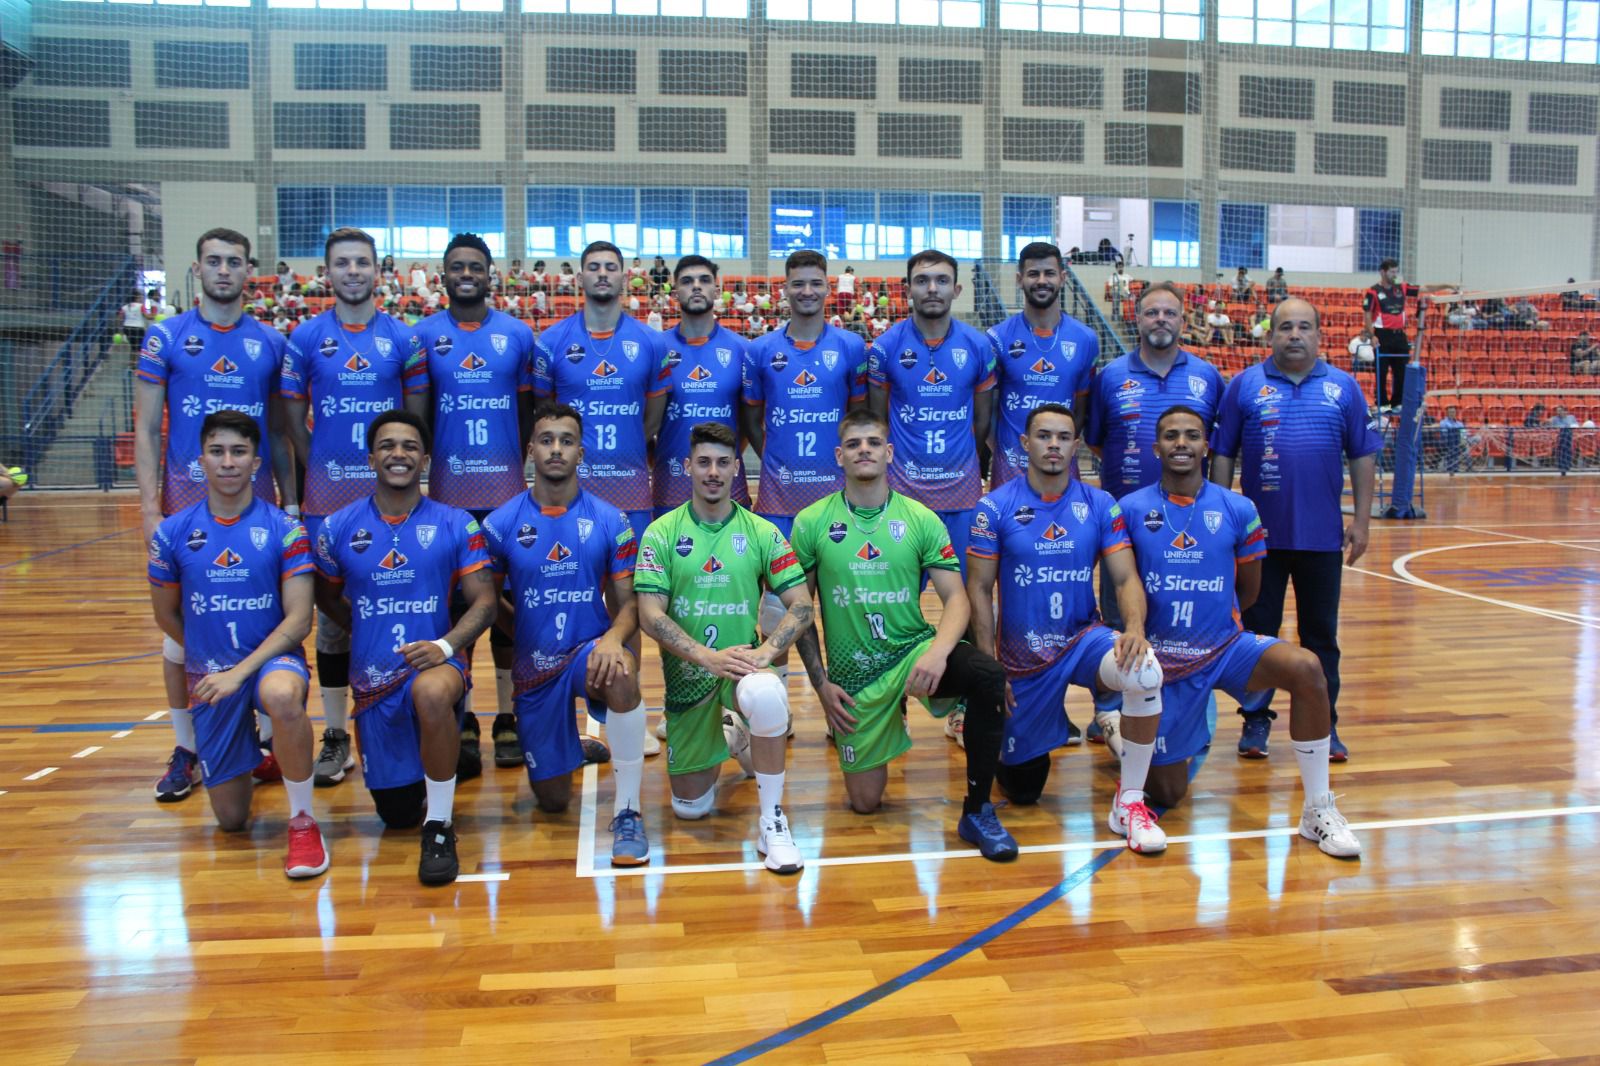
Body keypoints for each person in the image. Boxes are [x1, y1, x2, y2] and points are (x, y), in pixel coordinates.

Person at [1123, 405, 1361, 858]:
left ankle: (1318, 809)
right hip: (1165, 663)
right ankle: (1129, 732)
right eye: (1171, 436)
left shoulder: (1238, 508)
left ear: (1205, 447)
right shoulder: (1131, 509)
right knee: (1169, 793)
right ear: (1155, 448)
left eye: (1191, 435)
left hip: (1226, 648)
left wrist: (1217, 623)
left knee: (1307, 668)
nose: (1181, 443)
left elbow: (1249, 589)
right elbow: (1122, 584)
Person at [791, 408, 1016, 860]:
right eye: (854, 444)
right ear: (839, 456)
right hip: (856, 676)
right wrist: (820, 684)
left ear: (890, 453)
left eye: (873, 442)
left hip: (913, 654)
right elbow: (799, 611)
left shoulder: (920, 518)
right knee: (864, 803)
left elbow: (957, 599)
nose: (864, 450)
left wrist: (937, 653)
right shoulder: (811, 522)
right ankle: (885, 715)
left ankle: (977, 810)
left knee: (987, 675)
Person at [136, 227, 294, 804]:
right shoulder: (166, 336)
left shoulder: (271, 342)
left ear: (249, 270)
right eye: (214, 261)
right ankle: (187, 748)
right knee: (181, 634)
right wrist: (149, 508)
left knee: (259, 618)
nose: (224, 270)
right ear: (197, 268)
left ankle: (266, 740)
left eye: (234, 261)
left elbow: (279, 433)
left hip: (258, 509)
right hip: (184, 507)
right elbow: (147, 430)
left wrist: (291, 503)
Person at [966, 404, 1167, 849]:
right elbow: (978, 590)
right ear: (1025, 443)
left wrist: (1135, 628)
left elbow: (1125, 577)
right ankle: (1053, 721)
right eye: (1044, 436)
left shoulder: (1100, 504)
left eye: (1063, 437)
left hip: (1082, 639)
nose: (1053, 445)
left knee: (1146, 670)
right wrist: (989, 670)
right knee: (1023, 790)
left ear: (1077, 445)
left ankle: (1129, 802)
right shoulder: (993, 507)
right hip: (1022, 658)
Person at [313, 410, 498, 885]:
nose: (399, 454)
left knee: (431, 694)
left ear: (426, 460)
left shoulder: (456, 523)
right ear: (371, 458)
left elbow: (485, 603)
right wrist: (365, 627)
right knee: (396, 815)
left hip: (436, 666)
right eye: (388, 446)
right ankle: (440, 757)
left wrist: (445, 646)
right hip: (374, 681)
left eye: (410, 446)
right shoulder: (337, 527)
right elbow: (326, 596)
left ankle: (440, 824)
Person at [280, 226, 430, 789]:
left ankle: (412, 714)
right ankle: (338, 734)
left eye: (362, 262)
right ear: (327, 272)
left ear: (378, 271)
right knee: (333, 624)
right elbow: (293, 423)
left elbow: (414, 420)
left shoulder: (404, 339)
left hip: (395, 503)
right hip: (328, 501)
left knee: (407, 604)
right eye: (342, 263)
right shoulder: (304, 338)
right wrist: (322, 467)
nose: (352, 272)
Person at [147, 410, 327, 875]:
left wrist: (239, 673)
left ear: (255, 462)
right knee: (230, 820)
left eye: (239, 452)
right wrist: (211, 661)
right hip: (211, 674)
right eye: (217, 451)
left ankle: (303, 822)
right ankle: (251, 751)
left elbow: (299, 621)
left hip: (271, 662)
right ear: (200, 461)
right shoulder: (171, 533)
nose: (228, 462)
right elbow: (166, 615)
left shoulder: (286, 530)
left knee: (282, 696)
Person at [635, 423, 814, 874]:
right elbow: (650, 616)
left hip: (740, 670)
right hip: (689, 678)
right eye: (703, 463)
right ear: (687, 467)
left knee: (768, 693)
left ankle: (772, 823)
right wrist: (705, 656)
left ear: (736, 468)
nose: (712, 472)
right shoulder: (660, 533)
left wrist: (766, 653)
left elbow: (801, 605)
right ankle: (733, 733)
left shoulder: (761, 532)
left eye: (722, 463)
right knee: (690, 808)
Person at [1210, 297, 1380, 762]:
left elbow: (1362, 454)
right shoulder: (1244, 385)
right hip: (1258, 542)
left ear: (1320, 336)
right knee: (1258, 635)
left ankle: (1325, 726)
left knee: (1320, 637)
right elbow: (1223, 454)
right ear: (1270, 336)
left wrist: (1362, 521)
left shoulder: (1344, 388)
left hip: (1322, 539)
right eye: (1285, 327)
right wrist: (1219, 523)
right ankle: (1255, 721)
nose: (1295, 335)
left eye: (1304, 327)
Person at [482, 403, 651, 863]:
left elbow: (628, 603)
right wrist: (524, 631)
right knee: (553, 801)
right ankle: (571, 745)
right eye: (546, 440)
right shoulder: (500, 524)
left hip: (588, 654)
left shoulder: (611, 520)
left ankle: (629, 809)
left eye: (567, 440)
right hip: (535, 669)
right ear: (530, 450)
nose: (556, 449)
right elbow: (486, 602)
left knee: (621, 672)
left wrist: (613, 640)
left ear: (581, 453)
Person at [414, 233, 540, 774]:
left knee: (509, 611)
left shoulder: (518, 335)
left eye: (475, 266)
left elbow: (528, 413)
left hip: (505, 499)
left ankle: (508, 716)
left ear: (491, 275)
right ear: (443, 275)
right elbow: (417, 417)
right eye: (457, 266)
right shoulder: (423, 336)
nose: (467, 274)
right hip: (447, 501)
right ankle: (462, 716)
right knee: (456, 612)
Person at [1083, 281, 1225, 749]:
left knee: (1176, 616)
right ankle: (1108, 710)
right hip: (1124, 521)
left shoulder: (1207, 376)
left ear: (1183, 320)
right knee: (1116, 615)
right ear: (1137, 319)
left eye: (1169, 312)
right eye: (1151, 312)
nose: (1160, 319)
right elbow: (1098, 441)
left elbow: (1218, 444)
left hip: (1189, 525)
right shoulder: (1111, 376)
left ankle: (1176, 707)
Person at [741, 249, 868, 702]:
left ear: (829, 287)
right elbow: (752, 420)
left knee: (841, 607)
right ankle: (775, 706)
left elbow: (858, 420)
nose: (807, 291)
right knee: (777, 612)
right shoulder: (761, 351)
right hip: (779, 504)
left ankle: (847, 699)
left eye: (816, 282)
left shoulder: (851, 347)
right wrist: (778, 460)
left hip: (836, 505)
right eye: (798, 283)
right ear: (785, 289)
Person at [867, 250, 996, 575]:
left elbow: (982, 420)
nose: (933, 289)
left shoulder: (978, 346)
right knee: (899, 595)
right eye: (922, 281)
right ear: (908, 289)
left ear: (957, 289)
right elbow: (878, 423)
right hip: (903, 495)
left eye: (942, 280)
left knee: (966, 591)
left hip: (962, 493)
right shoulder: (886, 346)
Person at [535, 241, 664, 552]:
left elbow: (654, 417)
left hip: (631, 492)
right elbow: (543, 415)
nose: (602, 274)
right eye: (594, 268)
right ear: (580, 278)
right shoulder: (551, 341)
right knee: (570, 575)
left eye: (610, 267)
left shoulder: (651, 342)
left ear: (624, 277)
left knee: (634, 580)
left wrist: (629, 441)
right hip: (571, 494)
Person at [645, 255, 751, 518]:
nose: (696, 286)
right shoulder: (655, 348)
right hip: (670, 491)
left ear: (716, 290)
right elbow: (644, 424)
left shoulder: (742, 349)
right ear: (675, 292)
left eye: (704, 280)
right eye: (687, 281)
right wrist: (662, 460)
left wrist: (724, 456)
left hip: (730, 493)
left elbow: (750, 423)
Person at [985, 242, 1098, 486]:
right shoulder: (997, 338)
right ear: (1019, 279)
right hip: (1011, 472)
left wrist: (1061, 450)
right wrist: (1007, 454)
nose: (1041, 281)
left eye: (1049, 273)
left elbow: (1080, 410)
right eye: (1033, 274)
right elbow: (987, 411)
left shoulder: (1085, 339)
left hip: (1062, 472)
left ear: (1063, 278)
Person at [1363, 259, 1452, 412]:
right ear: (1383, 272)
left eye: (1396, 271)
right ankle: (1382, 404)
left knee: (1401, 371)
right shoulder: (1373, 291)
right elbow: (1367, 314)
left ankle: (1397, 403)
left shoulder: (1401, 287)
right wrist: (1372, 336)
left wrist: (1447, 285)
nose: (1394, 275)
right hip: (1382, 335)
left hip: (1399, 336)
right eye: (1392, 272)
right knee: (1381, 371)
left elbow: (1425, 288)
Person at [1437, 405, 1466, 473]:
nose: (1452, 414)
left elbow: (1463, 434)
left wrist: (1464, 441)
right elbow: (1444, 434)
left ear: (1455, 413)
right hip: (1447, 442)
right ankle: (1452, 467)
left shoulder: (1460, 423)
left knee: (1475, 439)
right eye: (1450, 412)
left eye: (1453, 412)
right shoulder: (1443, 422)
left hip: (1458, 443)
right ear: (1447, 413)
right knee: (1452, 434)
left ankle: (1466, 467)